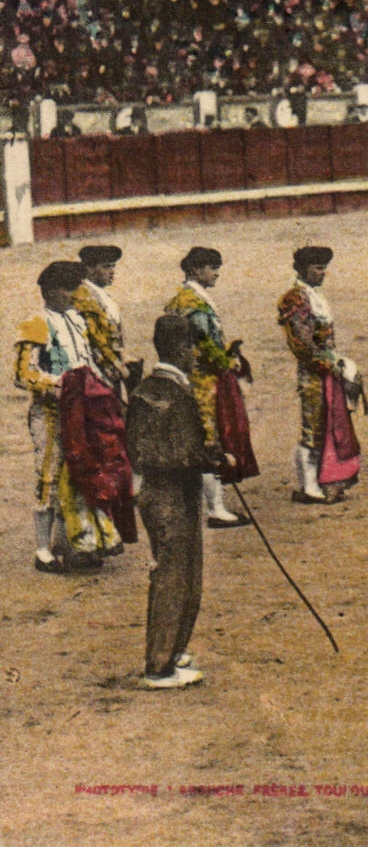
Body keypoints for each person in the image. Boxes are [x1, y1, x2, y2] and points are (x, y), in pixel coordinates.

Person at [128, 314, 219, 690]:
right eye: (192, 348)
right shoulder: (162, 392)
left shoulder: (160, 387)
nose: (196, 356)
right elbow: (151, 455)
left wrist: (204, 455)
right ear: (181, 349)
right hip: (166, 495)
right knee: (173, 575)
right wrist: (207, 458)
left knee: (186, 573)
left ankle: (174, 651)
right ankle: (159, 665)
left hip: (177, 492)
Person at [14, 261, 124, 572]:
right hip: (51, 413)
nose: (75, 294)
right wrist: (60, 386)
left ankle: (80, 543)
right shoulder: (36, 324)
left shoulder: (78, 321)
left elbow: (89, 362)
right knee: (49, 475)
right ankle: (43, 550)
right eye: (68, 288)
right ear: (50, 291)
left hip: (85, 411)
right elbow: (23, 374)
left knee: (85, 472)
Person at [165, 247, 254, 528]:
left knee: (206, 437)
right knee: (210, 438)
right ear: (194, 270)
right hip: (204, 380)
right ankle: (215, 509)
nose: (216, 273)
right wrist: (226, 361)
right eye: (211, 267)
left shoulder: (188, 298)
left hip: (198, 377)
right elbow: (204, 345)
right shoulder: (193, 302)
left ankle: (211, 505)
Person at [277, 246, 361, 503]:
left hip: (325, 368)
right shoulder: (296, 298)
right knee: (314, 425)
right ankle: (308, 487)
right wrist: (331, 364)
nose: (323, 273)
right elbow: (303, 345)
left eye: (324, 268)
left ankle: (320, 482)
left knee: (327, 424)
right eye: (317, 268)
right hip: (314, 372)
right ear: (303, 269)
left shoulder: (312, 295)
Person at [74, 244, 138, 401]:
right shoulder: (84, 296)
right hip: (99, 369)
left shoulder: (100, 294)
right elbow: (95, 340)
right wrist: (116, 364)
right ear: (89, 268)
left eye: (113, 266)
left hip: (112, 367)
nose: (112, 271)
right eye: (106, 267)